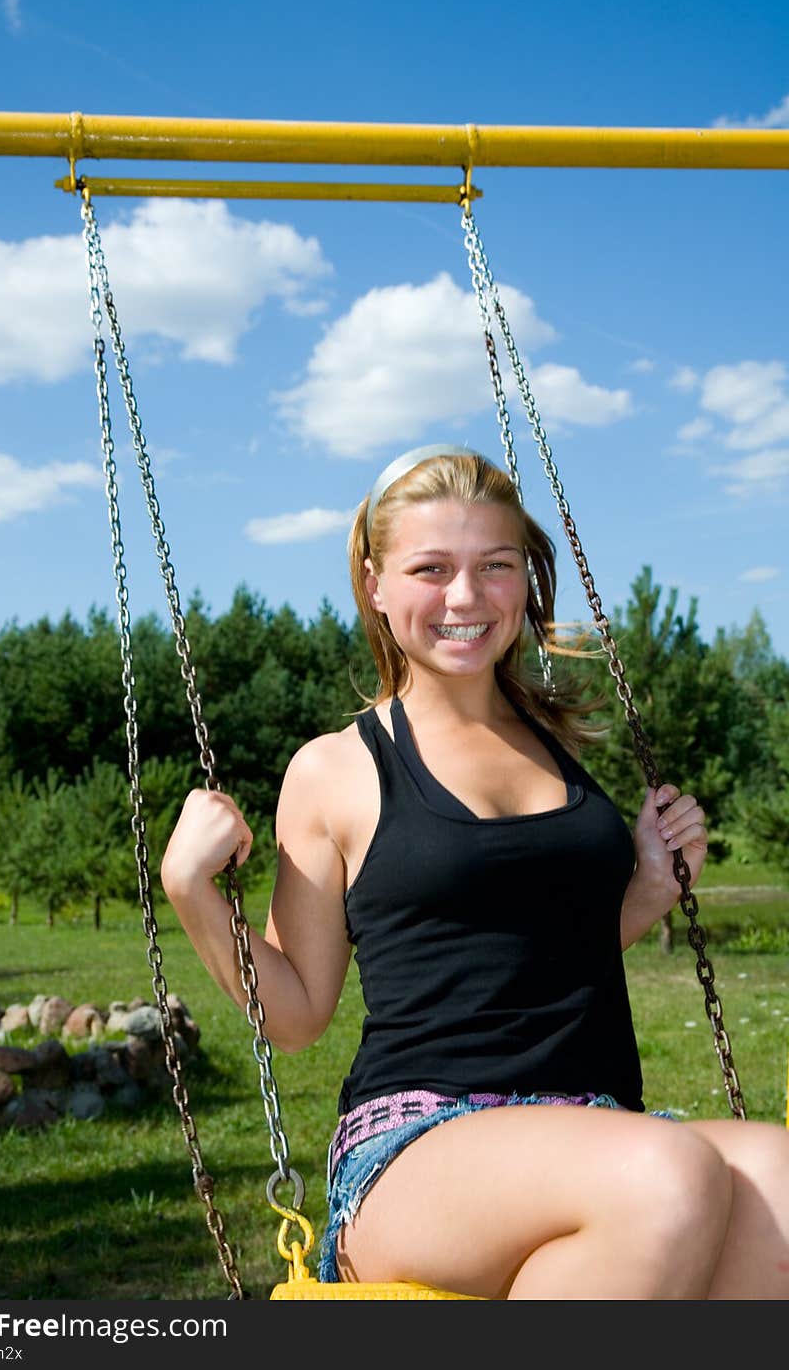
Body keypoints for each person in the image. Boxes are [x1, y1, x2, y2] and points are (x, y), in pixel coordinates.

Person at [161, 444, 789, 1300]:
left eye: (495, 566)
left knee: (780, 1185)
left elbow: (531, 960)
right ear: (376, 585)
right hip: (419, 1142)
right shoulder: (337, 769)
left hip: (590, 1119)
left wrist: (646, 886)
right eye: (432, 568)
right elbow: (300, 1014)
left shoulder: (557, 744)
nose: (465, 597)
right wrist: (192, 892)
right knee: (665, 1175)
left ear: (526, 583)